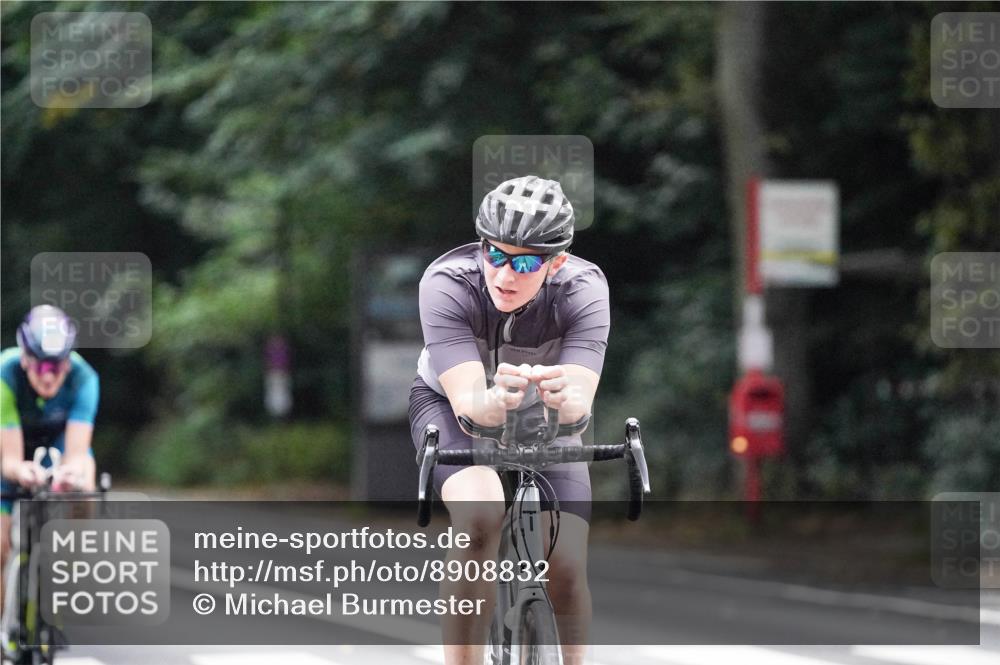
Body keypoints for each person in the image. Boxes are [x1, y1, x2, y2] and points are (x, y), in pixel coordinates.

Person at [409, 175, 610, 665]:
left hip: (544, 417)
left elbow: (579, 403)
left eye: (524, 263)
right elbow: (470, 405)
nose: (504, 275)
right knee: (480, 520)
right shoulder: (447, 283)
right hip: (450, 405)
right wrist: (495, 400)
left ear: (557, 262)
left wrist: (567, 401)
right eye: (495, 255)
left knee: (565, 564)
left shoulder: (583, 289)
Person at [0, 305, 99, 577]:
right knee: (0, 547)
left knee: (85, 476)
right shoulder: (5, 374)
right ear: (25, 359)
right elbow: (9, 461)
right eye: (41, 365)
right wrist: (20, 471)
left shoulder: (85, 378)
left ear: (67, 363)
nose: (48, 376)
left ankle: (73, 568)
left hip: (57, 442)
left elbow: (76, 455)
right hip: (10, 446)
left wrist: (70, 475)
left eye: (56, 366)